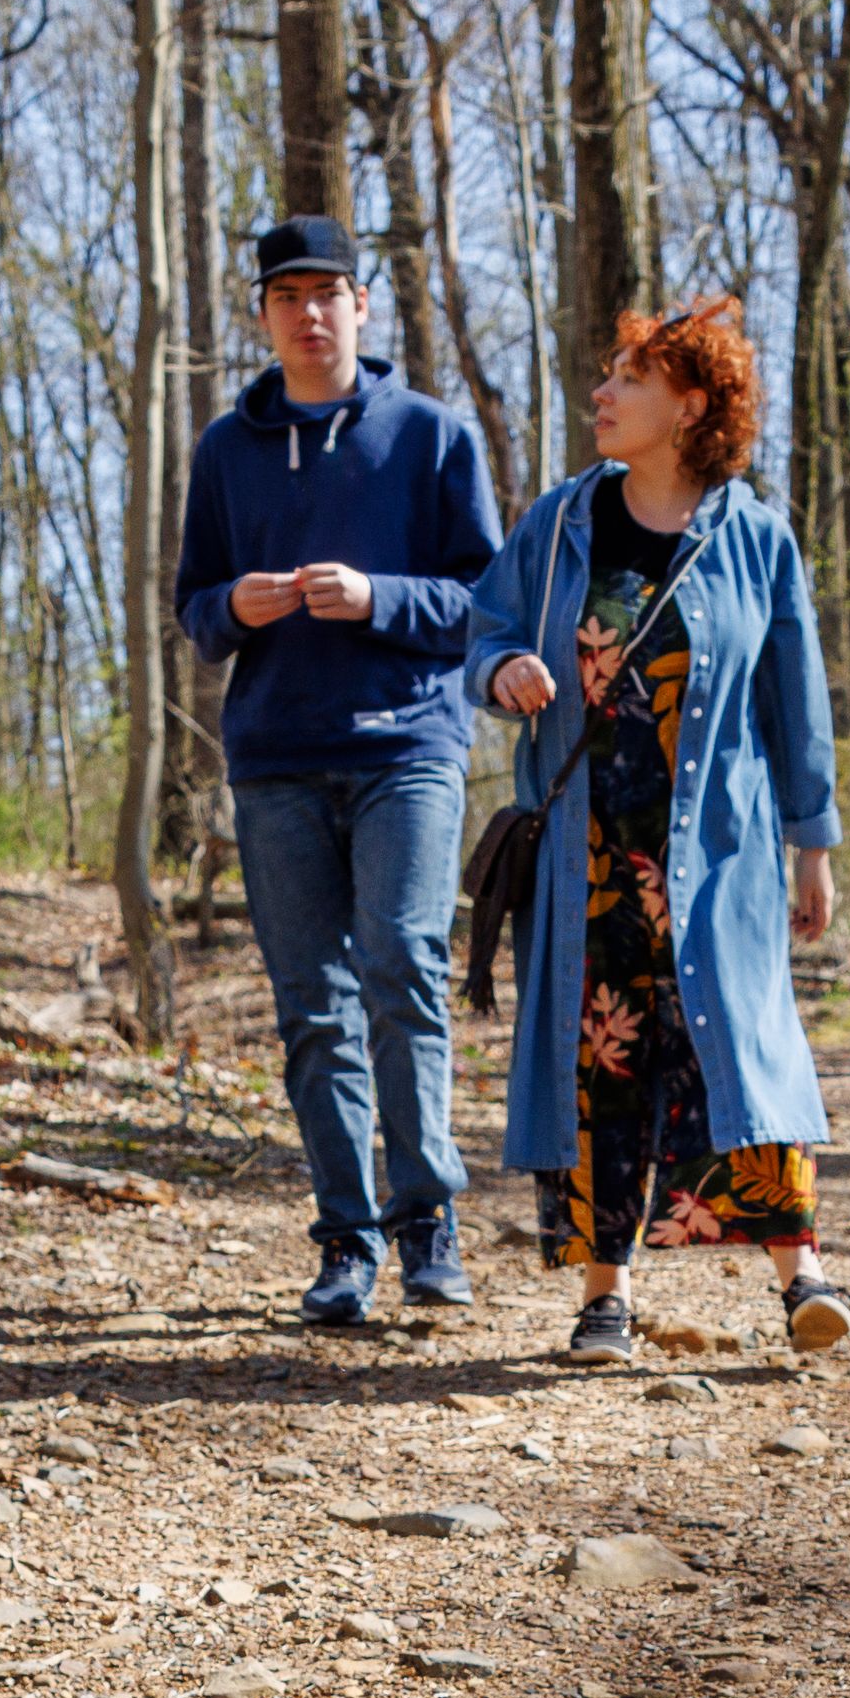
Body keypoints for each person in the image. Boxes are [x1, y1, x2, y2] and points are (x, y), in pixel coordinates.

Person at [469, 298, 850, 1361]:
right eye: (607, 374)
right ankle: (607, 1297)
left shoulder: (755, 537)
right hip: (585, 853)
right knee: (600, 1060)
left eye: (628, 378)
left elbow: (796, 701)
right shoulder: (560, 524)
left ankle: (803, 1277)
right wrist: (502, 669)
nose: (601, 393)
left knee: (745, 1050)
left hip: (719, 857)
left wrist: (812, 847)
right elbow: (483, 627)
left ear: (688, 406)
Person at [176, 215, 510, 1333]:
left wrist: (377, 598)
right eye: (287, 297)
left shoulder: (429, 436)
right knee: (311, 1006)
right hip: (275, 759)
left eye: (327, 293)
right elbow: (195, 611)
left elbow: (483, 606)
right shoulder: (226, 450)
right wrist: (235, 606)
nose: (308, 313)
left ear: (362, 306)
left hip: (406, 751)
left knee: (403, 969)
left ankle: (428, 1221)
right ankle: (345, 1238)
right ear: (263, 316)